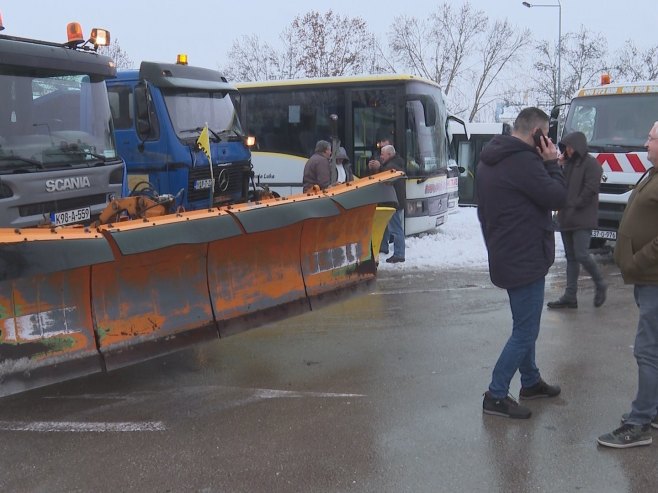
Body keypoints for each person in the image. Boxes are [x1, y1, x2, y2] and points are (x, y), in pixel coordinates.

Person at [477, 107, 567, 419]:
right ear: (537, 134)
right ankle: (496, 394)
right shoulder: (525, 161)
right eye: (547, 134)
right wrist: (552, 163)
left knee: (523, 324)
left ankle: (530, 381)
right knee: (526, 330)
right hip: (525, 255)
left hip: (506, 252)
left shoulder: (491, 157)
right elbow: (557, 197)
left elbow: (483, 210)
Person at [597, 122, 658, 448]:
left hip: (653, 278)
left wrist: (636, 261)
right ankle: (653, 409)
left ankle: (640, 422)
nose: (646, 142)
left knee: (648, 352)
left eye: (651, 138)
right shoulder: (652, 172)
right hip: (646, 279)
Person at [547, 131, 607, 309]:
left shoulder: (592, 164)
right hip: (567, 218)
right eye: (566, 147)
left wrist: (573, 204)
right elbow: (559, 185)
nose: (569, 150)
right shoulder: (568, 165)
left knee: (581, 254)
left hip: (582, 218)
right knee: (571, 258)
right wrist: (558, 166)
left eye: (571, 147)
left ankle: (600, 283)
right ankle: (570, 296)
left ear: (578, 146)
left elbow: (590, 189)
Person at [368, 144, 406, 263]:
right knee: (387, 226)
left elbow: (387, 178)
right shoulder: (395, 163)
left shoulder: (393, 166)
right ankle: (384, 247)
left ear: (389, 154)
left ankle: (399, 254)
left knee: (395, 229)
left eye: (382, 155)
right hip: (393, 201)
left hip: (393, 202)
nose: (381, 157)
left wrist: (379, 167)